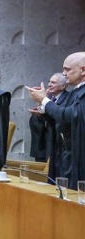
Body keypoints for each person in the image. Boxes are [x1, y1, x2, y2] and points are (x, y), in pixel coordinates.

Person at [28, 52, 85, 188]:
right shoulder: (76, 92)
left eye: (67, 69)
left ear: (83, 70)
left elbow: (70, 115)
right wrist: (43, 110)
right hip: (68, 154)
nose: (64, 73)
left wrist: (44, 100)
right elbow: (62, 117)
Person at [28, 74, 69, 172]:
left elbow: (62, 118)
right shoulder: (47, 97)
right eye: (49, 82)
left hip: (57, 144)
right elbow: (35, 123)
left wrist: (44, 112)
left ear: (63, 86)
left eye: (53, 82)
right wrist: (39, 108)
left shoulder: (68, 98)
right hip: (42, 144)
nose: (49, 85)